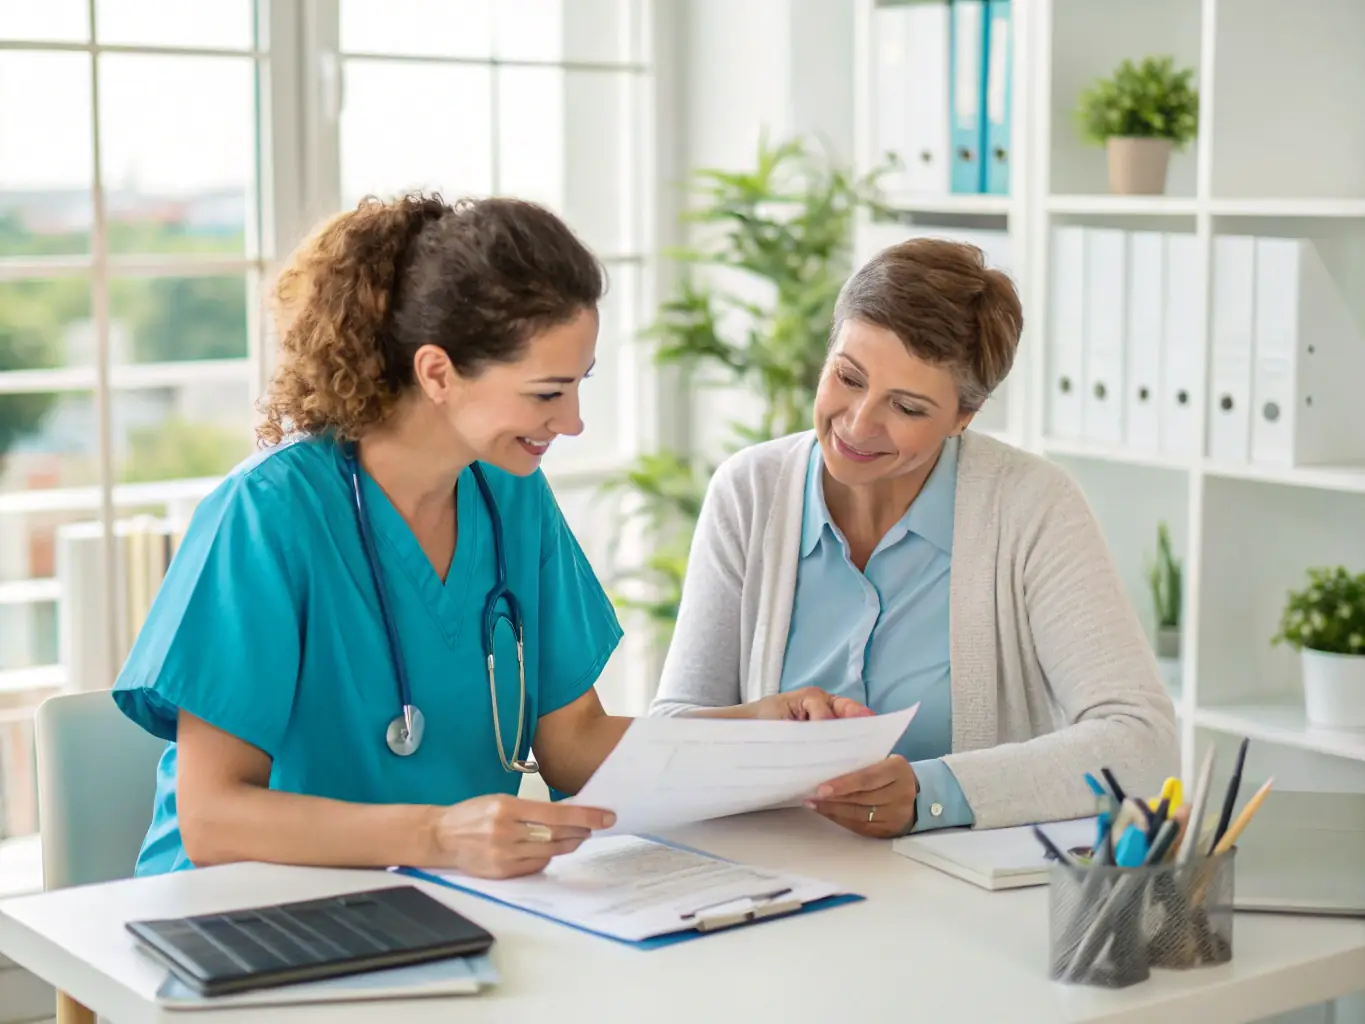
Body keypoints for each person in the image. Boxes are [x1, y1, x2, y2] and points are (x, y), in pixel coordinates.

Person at [112, 192, 850, 881]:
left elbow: (573, 745)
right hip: (247, 908)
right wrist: (436, 837)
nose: (572, 422)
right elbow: (211, 820)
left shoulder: (509, 496)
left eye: (578, 383)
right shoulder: (267, 516)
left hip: (441, 900)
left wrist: (760, 733)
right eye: (546, 392)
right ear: (437, 372)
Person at [649, 237, 1179, 839]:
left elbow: (1143, 744)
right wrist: (759, 722)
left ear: (963, 418)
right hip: (771, 884)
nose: (858, 423)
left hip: (956, 898)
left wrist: (932, 794)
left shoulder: (1032, 507)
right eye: (848, 377)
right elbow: (673, 730)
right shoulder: (750, 491)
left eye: (906, 407)